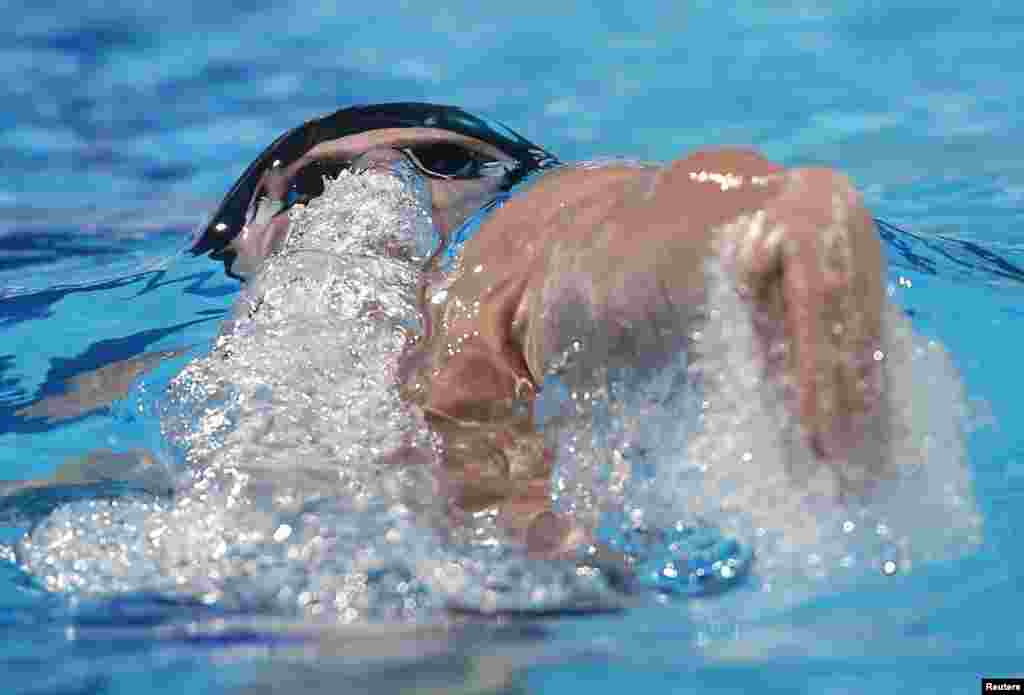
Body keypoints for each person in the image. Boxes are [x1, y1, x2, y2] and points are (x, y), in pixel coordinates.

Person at [192, 103, 888, 556]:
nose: (381, 182)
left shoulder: (499, 262)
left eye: (452, 161)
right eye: (317, 182)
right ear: (243, 250)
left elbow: (607, 233)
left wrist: (755, 220)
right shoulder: (170, 371)